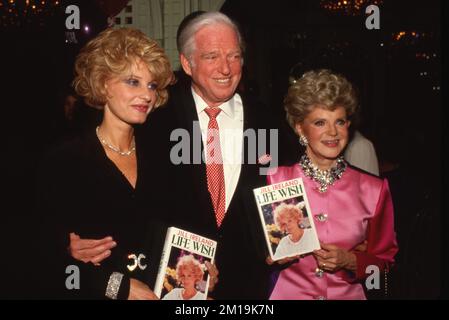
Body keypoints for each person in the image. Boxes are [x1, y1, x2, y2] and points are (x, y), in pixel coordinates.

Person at [68, 11, 298, 299]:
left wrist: (287, 242)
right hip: (169, 285)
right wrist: (69, 244)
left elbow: (292, 190)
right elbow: (122, 207)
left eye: (234, 56)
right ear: (187, 63)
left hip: (246, 286)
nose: (226, 68)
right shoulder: (153, 119)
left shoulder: (269, 121)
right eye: (212, 56)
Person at [36, 27, 174, 299]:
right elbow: (41, 260)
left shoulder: (164, 158)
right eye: (133, 82)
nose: (147, 95)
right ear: (102, 83)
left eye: (152, 85)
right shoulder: (64, 161)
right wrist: (118, 287)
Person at [267, 69, 398, 300]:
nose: (332, 132)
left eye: (340, 121)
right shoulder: (274, 180)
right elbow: (248, 255)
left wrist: (351, 261)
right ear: (300, 127)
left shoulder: (374, 189)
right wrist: (268, 258)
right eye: (320, 122)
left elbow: (385, 265)